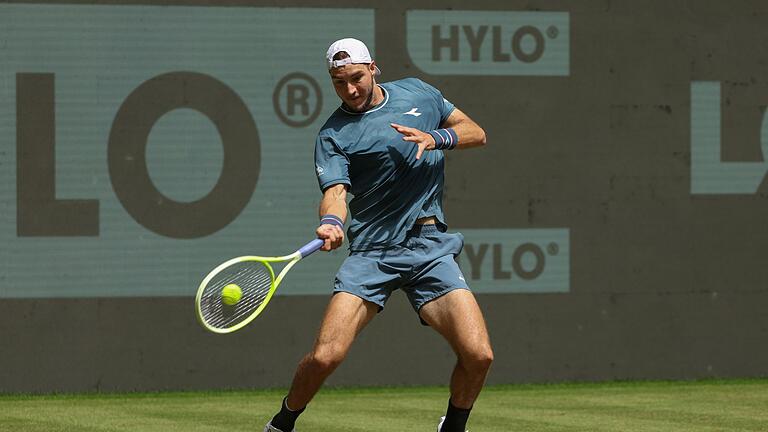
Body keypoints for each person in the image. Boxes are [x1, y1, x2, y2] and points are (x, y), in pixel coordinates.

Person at [265, 38, 493, 432]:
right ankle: (282, 423)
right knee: (325, 357)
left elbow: (475, 132)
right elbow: (335, 194)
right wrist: (332, 223)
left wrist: (437, 137)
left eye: (355, 77)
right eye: (339, 83)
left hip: (429, 248)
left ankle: (453, 426)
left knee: (479, 355)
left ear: (373, 67)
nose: (350, 89)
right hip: (372, 253)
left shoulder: (419, 93)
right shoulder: (333, 134)